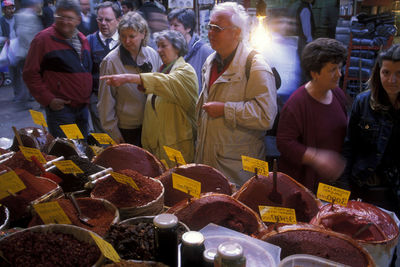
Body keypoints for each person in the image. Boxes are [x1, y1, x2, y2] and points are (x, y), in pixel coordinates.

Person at [194, 2, 277, 187]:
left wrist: (226, 109)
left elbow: (266, 116)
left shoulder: (256, 66)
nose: (210, 33)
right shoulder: (210, 61)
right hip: (209, 159)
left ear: (237, 32)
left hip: (236, 169)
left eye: (217, 28)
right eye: (210, 27)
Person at [101, 29, 198, 165]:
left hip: (177, 148)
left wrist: (129, 78)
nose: (158, 50)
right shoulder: (161, 70)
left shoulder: (186, 71)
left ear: (177, 48)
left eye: (163, 46)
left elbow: (165, 82)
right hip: (157, 148)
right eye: (157, 46)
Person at [276, 38, 347, 193]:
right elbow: (284, 142)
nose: (339, 74)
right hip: (303, 187)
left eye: (340, 68)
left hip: (329, 186)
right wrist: (316, 158)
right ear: (314, 73)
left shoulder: (338, 94)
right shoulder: (297, 104)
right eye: (332, 70)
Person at [341, 44, 400, 215]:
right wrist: (345, 191)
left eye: (399, 74)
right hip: (363, 188)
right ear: (378, 72)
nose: (392, 80)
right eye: (386, 73)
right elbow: (349, 146)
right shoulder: (363, 102)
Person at [23, 0, 92, 138]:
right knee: (67, 150)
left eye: (69, 18)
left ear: (78, 20)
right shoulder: (43, 39)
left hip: (82, 107)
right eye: (60, 17)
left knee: (83, 148)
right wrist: (49, 99)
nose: (64, 21)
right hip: (61, 110)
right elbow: (30, 73)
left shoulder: (82, 39)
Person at [97, 11, 161, 145]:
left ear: (143, 33)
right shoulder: (110, 61)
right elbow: (105, 102)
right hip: (127, 129)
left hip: (151, 124)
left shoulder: (153, 54)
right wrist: (113, 133)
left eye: (132, 36)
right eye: (123, 36)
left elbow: (160, 85)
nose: (127, 41)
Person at [87, 1, 121, 133]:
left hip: (122, 100)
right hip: (98, 99)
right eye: (100, 19)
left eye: (108, 20)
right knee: (103, 137)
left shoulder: (126, 41)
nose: (103, 23)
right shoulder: (89, 41)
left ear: (118, 20)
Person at [168, 8, 213, 94]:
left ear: (188, 28)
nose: (171, 29)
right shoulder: (170, 49)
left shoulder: (205, 51)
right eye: (170, 25)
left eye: (176, 25)